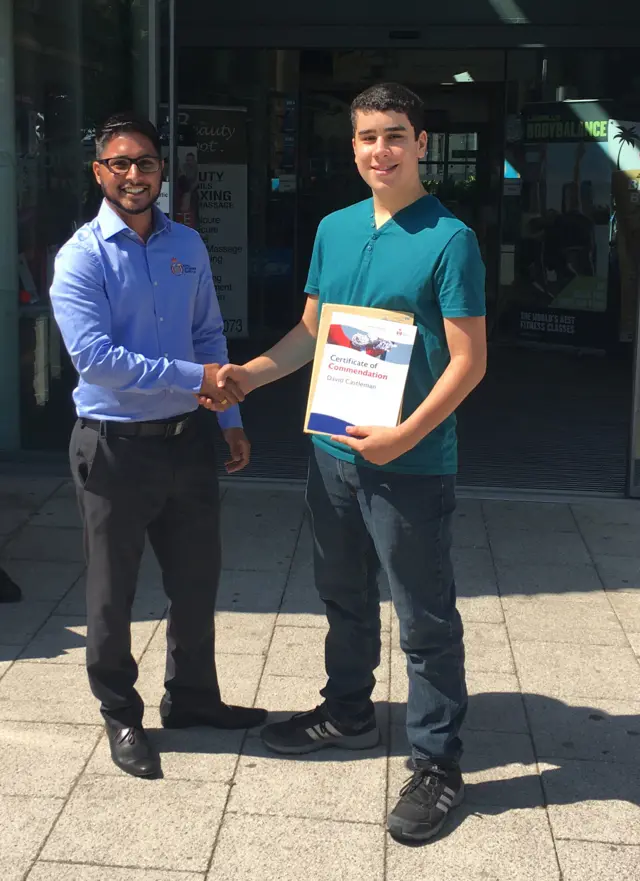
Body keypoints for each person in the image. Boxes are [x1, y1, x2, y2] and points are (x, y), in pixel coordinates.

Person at [203, 83, 487, 842]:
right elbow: (310, 329)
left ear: (421, 142)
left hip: (412, 460)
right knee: (342, 591)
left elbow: (469, 361)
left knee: (423, 615)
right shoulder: (334, 227)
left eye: (395, 136)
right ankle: (351, 710)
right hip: (331, 449)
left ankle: (437, 761)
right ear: (352, 145)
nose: (380, 151)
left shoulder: (449, 238)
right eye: (366, 138)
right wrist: (250, 374)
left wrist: (405, 436)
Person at [50, 113, 266, 779]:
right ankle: (120, 712)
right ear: (99, 172)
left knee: (198, 579)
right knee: (112, 596)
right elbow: (97, 360)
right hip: (114, 447)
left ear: (161, 169)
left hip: (189, 441)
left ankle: (193, 696)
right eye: (121, 163)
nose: (135, 175)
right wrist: (192, 379)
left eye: (145, 162)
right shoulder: (80, 257)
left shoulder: (188, 246)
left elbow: (208, 335)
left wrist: (228, 419)